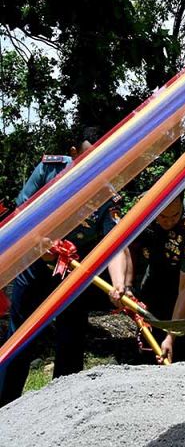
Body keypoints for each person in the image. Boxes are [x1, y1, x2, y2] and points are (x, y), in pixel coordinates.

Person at [0, 127, 121, 406]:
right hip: (34, 266)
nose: (95, 167)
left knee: (71, 340)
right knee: (19, 339)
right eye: (90, 159)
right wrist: (39, 243)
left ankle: (65, 411)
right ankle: (4, 404)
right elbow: (22, 212)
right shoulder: (48, 170)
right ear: (74, 154)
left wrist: (119, 284)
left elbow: (115, 243)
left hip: (72, 274)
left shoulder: (107, 194)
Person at [109, 192, 185, 363]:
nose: (168, 221)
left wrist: (171, 337)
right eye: (162, 216)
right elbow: (130, 246)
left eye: (174, 215)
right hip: (156, 266)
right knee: (149, 323)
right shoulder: (141, 209)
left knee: (180, 341)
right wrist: (128, 285)